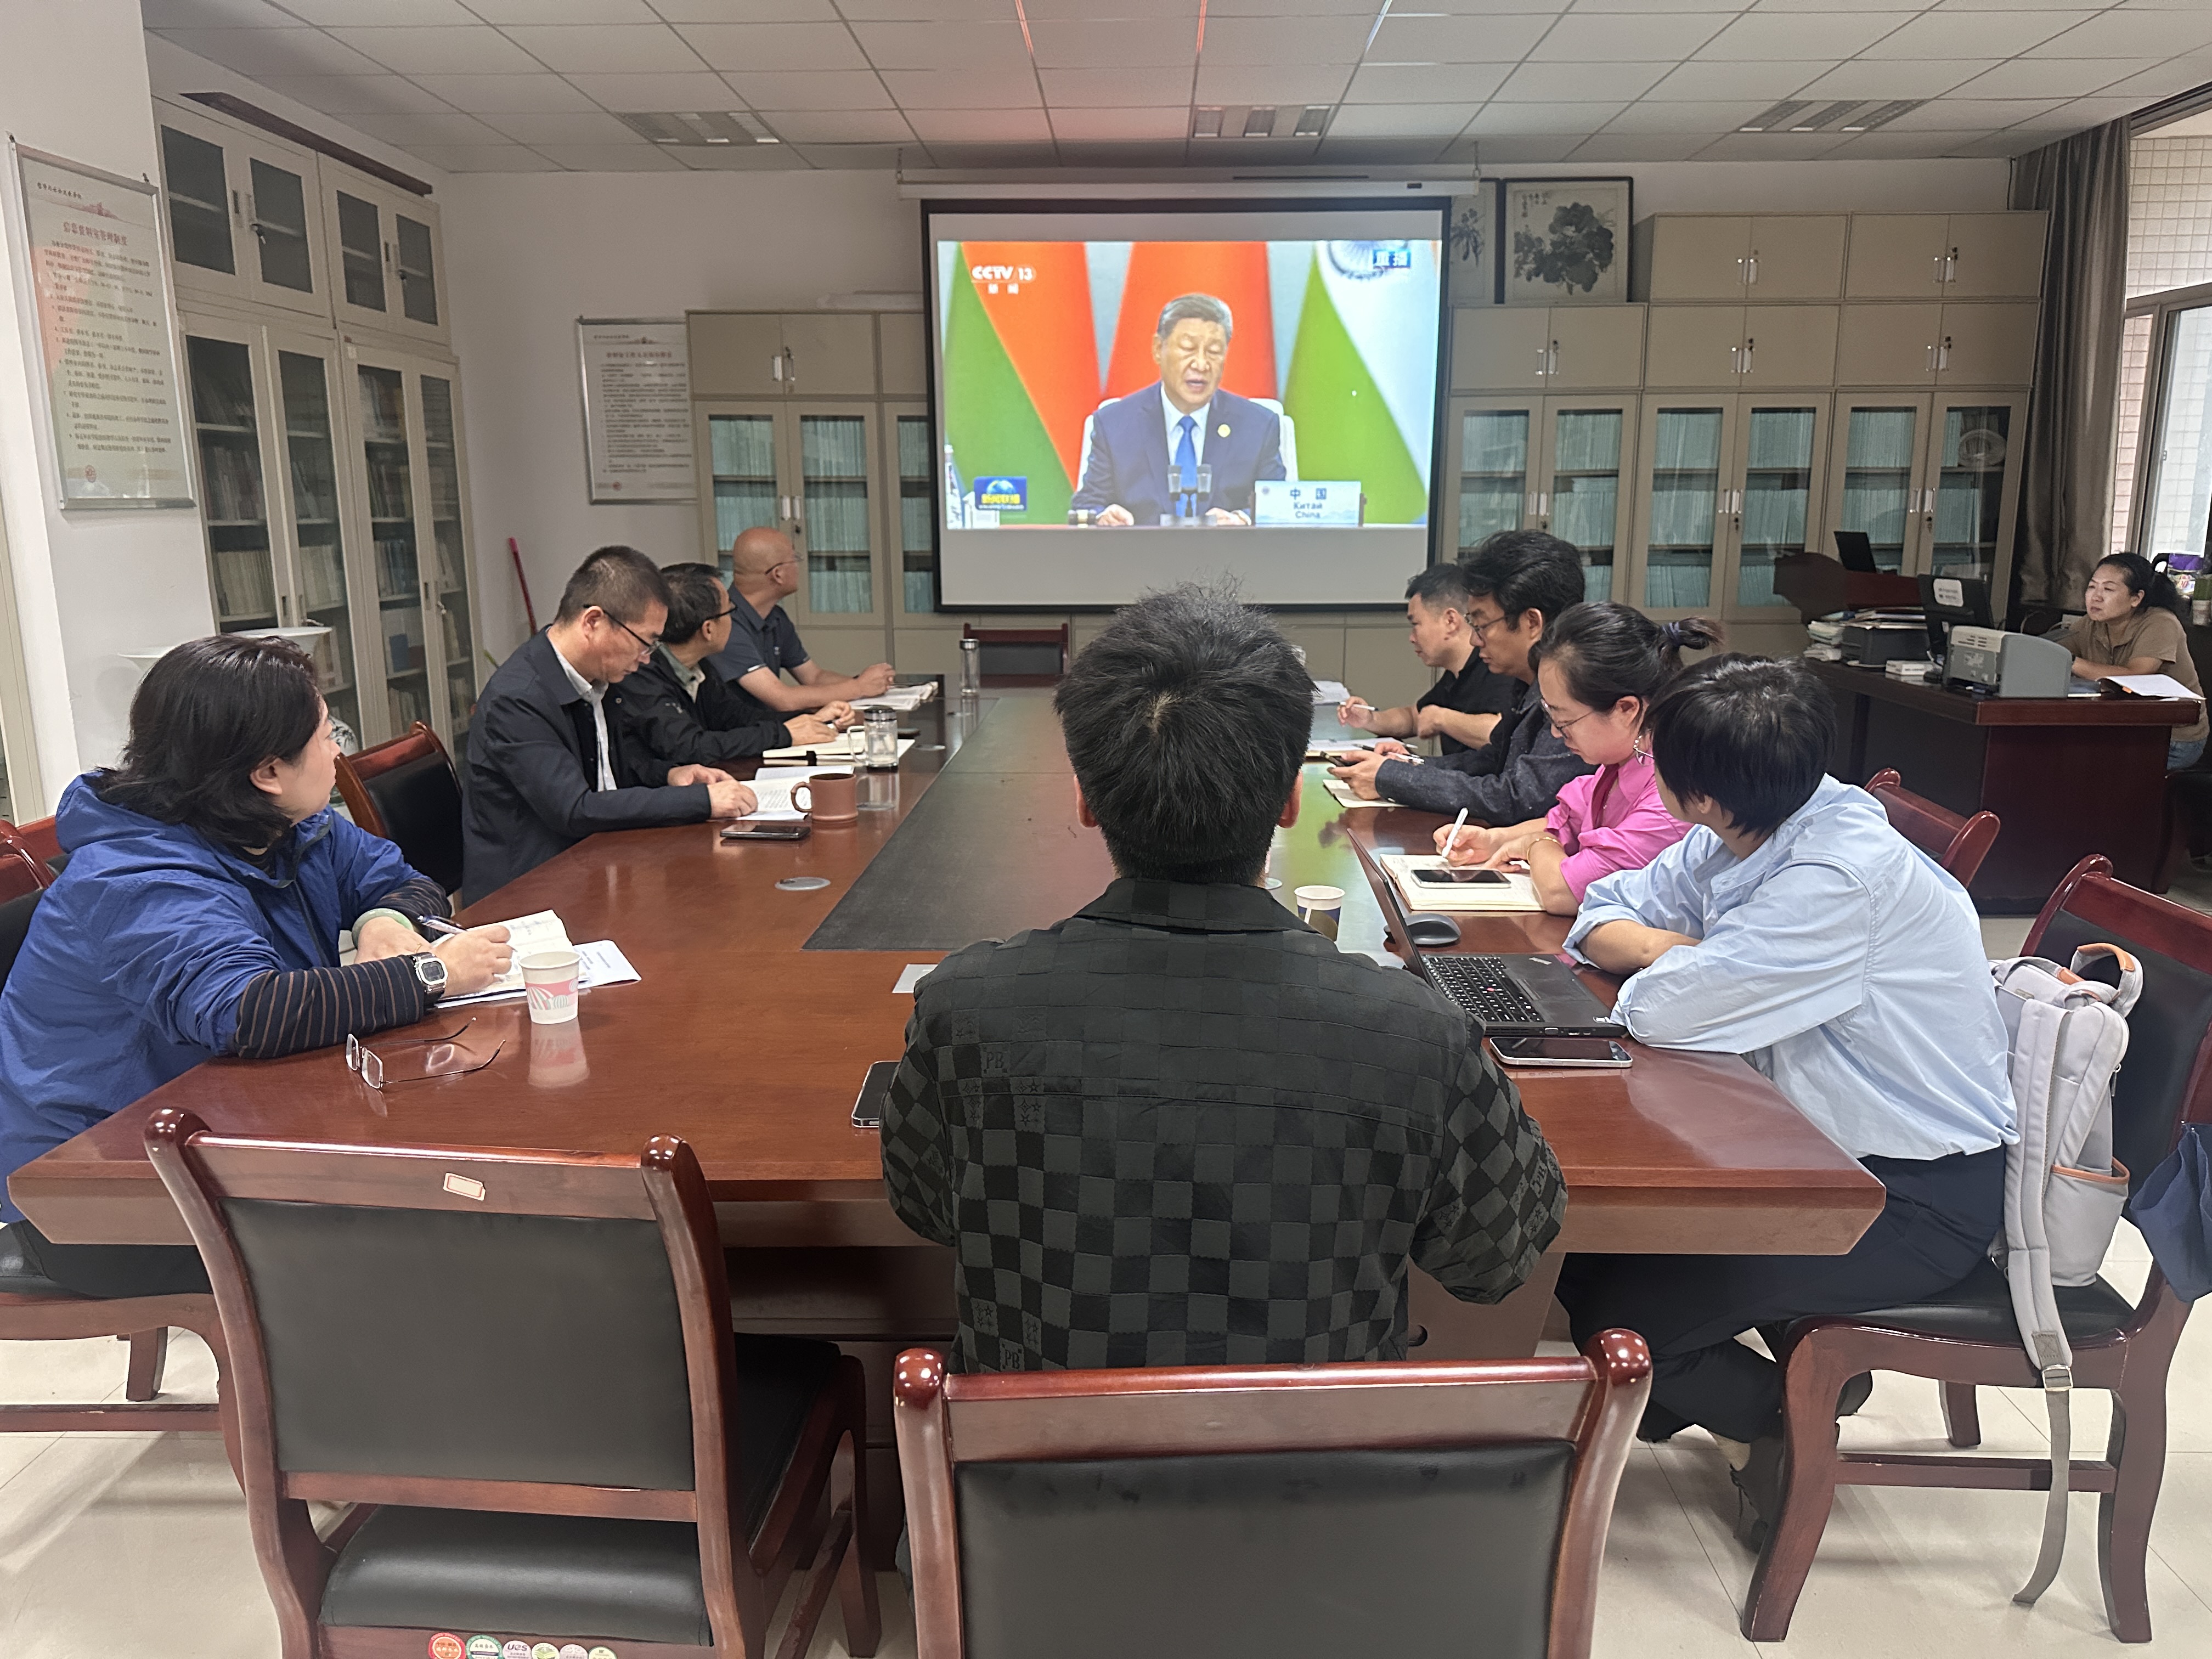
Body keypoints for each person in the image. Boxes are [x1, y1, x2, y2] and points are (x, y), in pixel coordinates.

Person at [879, 584, 1566, 1372]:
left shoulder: (965, 1010)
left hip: (1031, 1452)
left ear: (1085, 800)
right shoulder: (1416, 1036)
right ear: (1289, 802)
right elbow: (1496, 1256)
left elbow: (928, 1208)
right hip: (1319, 1454)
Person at [1551, 654, 2013, 1541]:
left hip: (1906, 1193)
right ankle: (1764, 1398)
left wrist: (1671, 960)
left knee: (1622, 1321)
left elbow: (1661, 1011)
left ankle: (1786, 1420)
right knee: (1575, 1245)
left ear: (1700, 795)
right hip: (1802, 1146)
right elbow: (1604, 907)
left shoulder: (1834, 876)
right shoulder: (1755, 818)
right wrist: (1689, 953)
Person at [0, 637, 513, 1299]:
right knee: (414, 1241)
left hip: (225, 1126)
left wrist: (384, 922)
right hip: (95, 1192)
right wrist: (433, 975)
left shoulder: (285, 826)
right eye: (326, 736)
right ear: (268, 771)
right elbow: (252, 1012)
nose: (338, 752)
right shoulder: (137, 875)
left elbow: (404, 880)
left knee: (455, 1194)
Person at [465, 546, 757, 900]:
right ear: (593, 622)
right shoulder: (518, 699)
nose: (647, 660)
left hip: (596, 865)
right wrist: (701, 801)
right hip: (528, 894)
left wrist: (669, 776)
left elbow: (610, 769)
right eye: (645, 643)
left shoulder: (597, 678)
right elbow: (574, 809)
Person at [1432, 604, 1720, 915]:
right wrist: (1494, 840)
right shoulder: (1624, 761)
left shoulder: (1671, 795)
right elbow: (1565, 823)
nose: (1556, 733)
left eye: (1564, 720)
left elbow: (1562, 892)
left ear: (1626, 709)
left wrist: (1533, 845)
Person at [1329, 530, 1592, 820]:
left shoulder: (1576, 693)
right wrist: (1405, 767)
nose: (1475, 640)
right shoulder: (1527, 684)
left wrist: (1391, 778)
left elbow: (1516, 799)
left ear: (1532, 623)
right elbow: (1491, 762)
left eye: (1482, 625)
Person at [1069, 295, 1286, 528]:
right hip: (1142, 551)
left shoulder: (1258, 426)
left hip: (1225, 552)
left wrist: (1242, 519)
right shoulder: (1115, 425)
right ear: (1158, 349)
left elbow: (1279, 506)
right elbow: (1087, 505)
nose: (1201, 364)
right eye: (1188, 349)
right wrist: (1103, 515)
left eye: (1214, 351)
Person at [609, 563, 847, 776]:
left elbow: (736, 717)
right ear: (708, 630)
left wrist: (810, 720)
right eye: (730, 610)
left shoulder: (700, 664)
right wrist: (784, 734)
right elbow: (691, 747)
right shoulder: (641, 674)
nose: (734, 619)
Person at [708, 527, 895, 720]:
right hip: (743, 733)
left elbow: (814, 677)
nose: (799, 567)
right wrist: (859, 687)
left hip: (769, 727)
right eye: (794, 559)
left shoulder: (775, 617)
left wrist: (871, 684)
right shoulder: (726, 623)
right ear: (778, 574)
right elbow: (782, 699)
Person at [1338, 562, 1517, 754]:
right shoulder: (1455, 676)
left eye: (1416, 624)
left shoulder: (1496, 668)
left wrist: (1442, 718)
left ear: (1450, 621)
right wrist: (1370, 719)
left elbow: (1503, 733)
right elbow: (1414, 718)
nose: (1412, 638)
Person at [2058, 553, 2206, 770]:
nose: (2096, 597)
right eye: (2092, 587)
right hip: (2122, 728)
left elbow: (2136, 676)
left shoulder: (2160, 622)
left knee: (2081, 765)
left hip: (2173, 739)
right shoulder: (2091, 623)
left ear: (2136, 598)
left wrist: (2069, 661)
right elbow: (2054, 650)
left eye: (2108, 589)